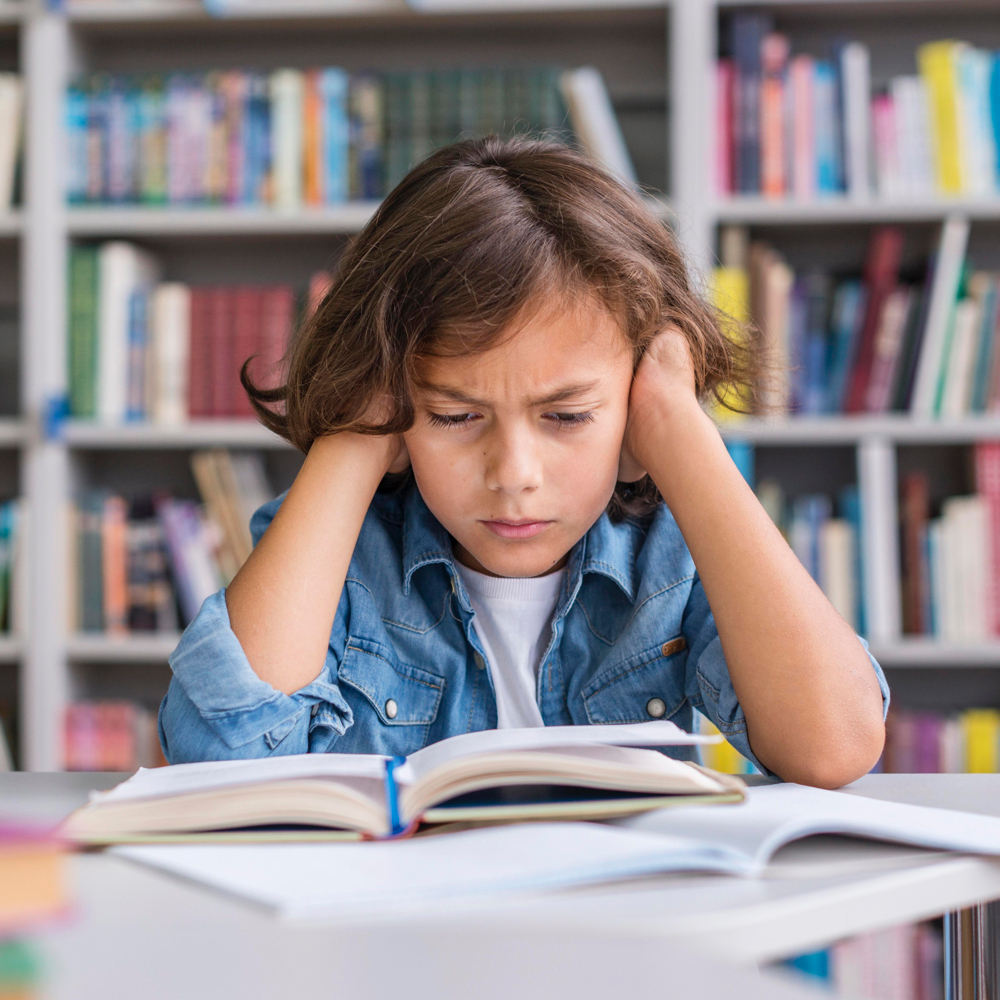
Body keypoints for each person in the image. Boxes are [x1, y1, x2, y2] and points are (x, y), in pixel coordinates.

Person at [159, 136, 887, 787]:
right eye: (454, 416)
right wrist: (353, 434)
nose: (514, 473)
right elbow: (220, 764)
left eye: (567, 416)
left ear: (631, 411)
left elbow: (835, 746)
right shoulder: (338, 547)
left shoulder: (667, 553)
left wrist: (677, 421)